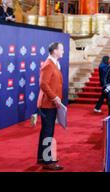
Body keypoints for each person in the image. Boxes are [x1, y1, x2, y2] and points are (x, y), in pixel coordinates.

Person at [37, 42, 65, 171]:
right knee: (48, 132)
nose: (63, 51)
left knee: (46, 131)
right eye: (61, 49)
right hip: (48, 104)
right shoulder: (48, 64)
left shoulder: (54, 63)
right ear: (55, 51)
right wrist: (54, 97)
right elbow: (43, 84)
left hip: (51, 104)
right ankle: (48, 161)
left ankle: (42, 157)